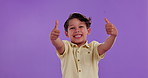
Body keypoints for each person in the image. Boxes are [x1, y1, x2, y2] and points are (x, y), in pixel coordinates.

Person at [50, 13, 118, 78]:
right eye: (72, 28)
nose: (77, 30)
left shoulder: (93, 47)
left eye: (81, 26)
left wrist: (113, 36)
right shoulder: (66, 47)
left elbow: (105, 47)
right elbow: (59, 45)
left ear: (88, 31)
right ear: (66, 34)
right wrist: (54, 38)